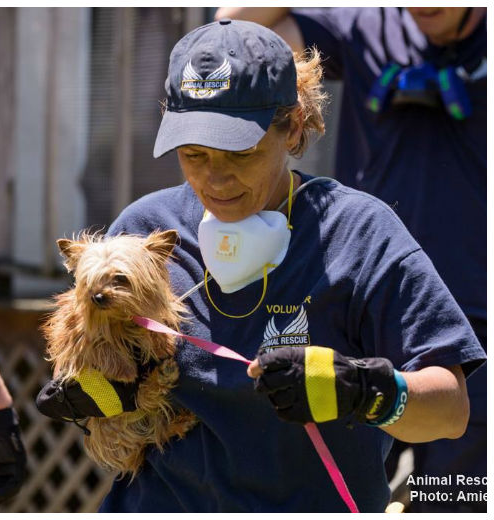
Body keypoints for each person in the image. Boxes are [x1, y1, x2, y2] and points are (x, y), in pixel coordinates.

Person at [76, 19, 484, 512]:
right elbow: (99, 361)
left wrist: (367, 391)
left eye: (241, 152)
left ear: (291, 127)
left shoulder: (357, 232)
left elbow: (450, 411)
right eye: (193, 154)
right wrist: (95, 391)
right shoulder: (142, 232)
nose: (216, 178)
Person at [214, 8, 487, 512]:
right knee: (348, 494)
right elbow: (234, 27)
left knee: (456, 500)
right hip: (363, 313)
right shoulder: (367, 26)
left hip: (472, 325)